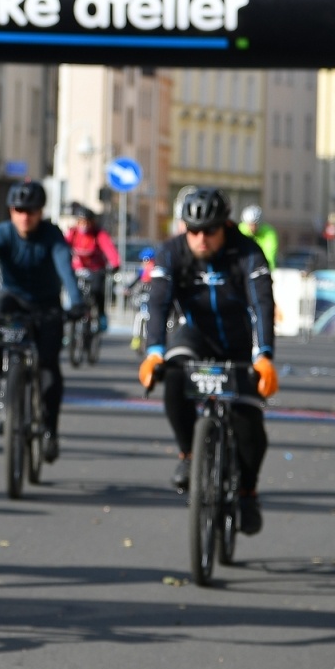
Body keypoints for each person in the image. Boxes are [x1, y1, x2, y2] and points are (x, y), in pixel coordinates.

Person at [138, 187, 277, 534]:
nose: (201, 238)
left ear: (225, 226)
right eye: (193, 230)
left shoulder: (248, 252)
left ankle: (247, 492)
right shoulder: (172, 252)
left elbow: (262, 305)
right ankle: (188, 454)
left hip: (238, 342)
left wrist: (264, 356)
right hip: (194, 336)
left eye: (210, 231)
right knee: (173, 374)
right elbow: (158, 303)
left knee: (249, 426)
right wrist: (153, 351)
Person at [0, 181, 84, 460]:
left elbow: (66, 269)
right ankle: (5, 381)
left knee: (49, 368)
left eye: (32, 211)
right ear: (11, 211)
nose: (25, 217)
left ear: (41, 212)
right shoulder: (0, 234)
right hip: (13, 298)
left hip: (47, 303)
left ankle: (50, 430)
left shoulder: (52, 235)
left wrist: (76, 302)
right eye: (19, 210)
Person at [65, 204, 120, 331]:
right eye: (81, 222)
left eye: (86, 222)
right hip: (77, 268)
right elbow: (62, 247)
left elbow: (109, 248)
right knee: (72, 290)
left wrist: (115, 263)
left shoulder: (98, 234)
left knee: (97, 291)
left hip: (95, 269)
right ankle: (69, 326)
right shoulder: (73, 233)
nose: (83, 225)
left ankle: (101, 315)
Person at [239, 205, 279, 269]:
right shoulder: (240, 230)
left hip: (261, 266)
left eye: (255, 224)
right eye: (250, 224)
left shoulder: (269, 233)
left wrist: (267, 269)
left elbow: (270, 254)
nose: (252, 228)